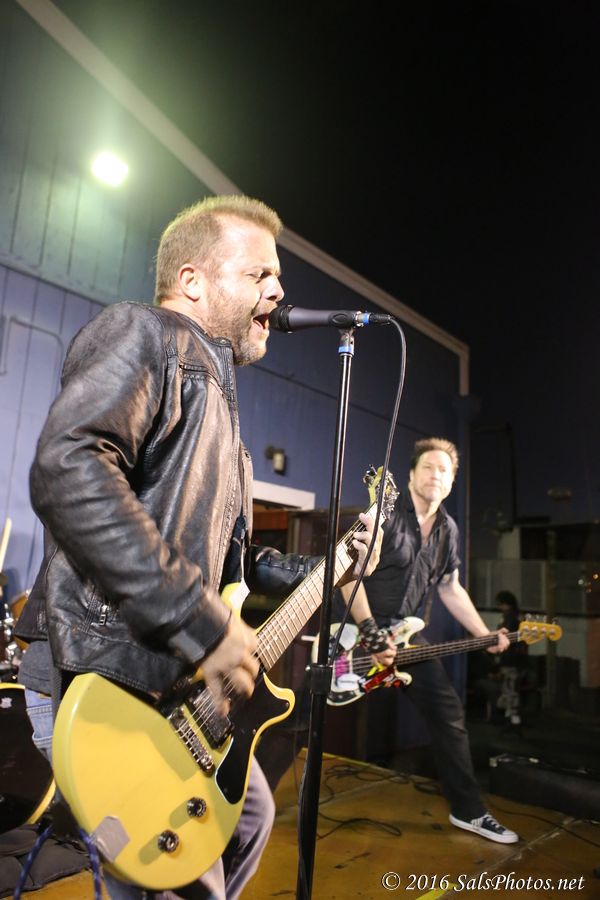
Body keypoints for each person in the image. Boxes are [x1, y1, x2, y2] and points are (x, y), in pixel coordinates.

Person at [15, 194, 382, 900]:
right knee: (178, 885)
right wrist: (200, 622)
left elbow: (238, 569)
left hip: (172, 689)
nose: (278, 292)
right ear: (192, 281)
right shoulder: (146, 334)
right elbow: (69, 464)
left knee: (250, 820)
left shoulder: (229, 432)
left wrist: (331, 567)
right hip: (102, 679)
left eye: (279, 278)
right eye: (259, 274)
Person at [339, 436, 519, 844]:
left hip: (403, 637)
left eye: (444, 470)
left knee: (448, 712)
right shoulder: (384, 512)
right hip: (352, 631)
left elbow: (450, 587)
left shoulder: (447, 530)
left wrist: (483, 634)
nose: (436, 474)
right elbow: (346, 575)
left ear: (451, 482)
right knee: (299, 709)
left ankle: (469, 811)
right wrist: (369, 631)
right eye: (428, 467)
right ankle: (242, 796)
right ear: (410, 474)